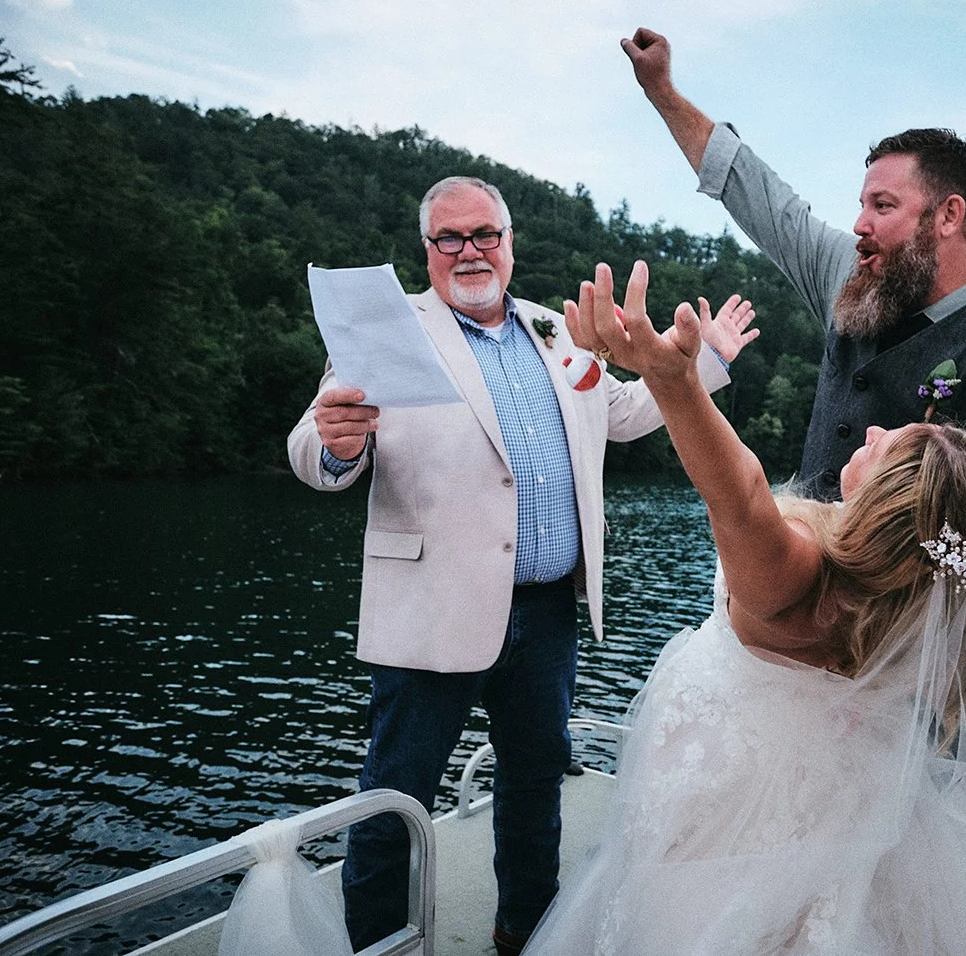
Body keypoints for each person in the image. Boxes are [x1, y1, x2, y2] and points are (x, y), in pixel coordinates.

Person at [287, 175, 759, 954]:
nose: (469, 250)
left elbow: (623, 413)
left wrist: (699, 364)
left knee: (536, 788)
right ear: (428, 249)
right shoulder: (385, 326)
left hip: (546, 614)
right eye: (450, 237)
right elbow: (313, 446)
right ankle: (373, 943)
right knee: (393, 798)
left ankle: (526, 935)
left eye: (485, 235)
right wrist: (338, 445)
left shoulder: (556, 329)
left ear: (509, 243)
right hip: (432, 609)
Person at [524, 261, 966, 955]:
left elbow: (736, 491)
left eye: (884, 448)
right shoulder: (913, 593)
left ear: (887, 507)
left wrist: (674, 381)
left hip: (730, 822)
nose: (869, 434)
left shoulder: (797, 578)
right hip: (845, 813)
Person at [621, 27, 966, 634]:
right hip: (788, 629)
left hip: (903, 675)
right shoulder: (856, 274)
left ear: (949, 215)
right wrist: (663, 92)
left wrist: (889, 646)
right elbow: (765, 203)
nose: (860, 223)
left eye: (883, 206)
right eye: (862, 204)